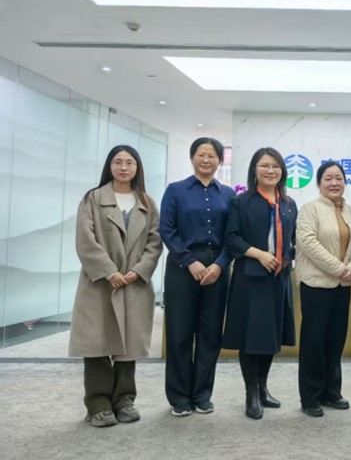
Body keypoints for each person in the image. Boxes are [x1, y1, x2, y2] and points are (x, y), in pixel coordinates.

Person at [68, 145, 163, 427]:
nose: (123, 167)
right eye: (118, 162)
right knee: (96, 343)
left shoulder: (147, 202)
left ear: (137, 168)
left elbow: (155, 242)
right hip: (99, 283)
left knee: (128, 345)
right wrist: (109, 271)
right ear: (109, 166)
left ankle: (124, 400)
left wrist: (139, 271)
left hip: (133, 284)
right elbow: (85, 240)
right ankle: (98, 404)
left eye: (129, 162)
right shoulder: (93, 198)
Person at [160, 137, 235, 417]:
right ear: (192, 158)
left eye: (212, 156)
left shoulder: (228, 194)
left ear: (220, 161)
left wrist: (220, 264)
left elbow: (233, 234)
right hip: (182, 268)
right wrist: (189, 261)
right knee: (179, 334)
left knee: (210, 334)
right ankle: (179, 397)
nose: (206, 160)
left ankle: (202, 394)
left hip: (217, 269)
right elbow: (167, 230)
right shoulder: (176, 190)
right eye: (201, 154)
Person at [222, 147, 297, 419]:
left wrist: (287, 256)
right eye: (265, 165)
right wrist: (259, 254)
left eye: (275, 166)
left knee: (270, 337)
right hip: (250, 278)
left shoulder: (288, 204)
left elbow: (293, 239)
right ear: (255, 170)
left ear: (282, 171)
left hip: (278, 279)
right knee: (250, 338)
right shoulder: (241, 202)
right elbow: (232, 238)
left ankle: (264, 388)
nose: (270, 170)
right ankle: (251, 394)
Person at [295, 161, 351, 417]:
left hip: (342, 284)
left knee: (335, 340)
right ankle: (310, 396)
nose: (334, 183)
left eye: (339, 178)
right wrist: (339, 268)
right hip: (316, 284)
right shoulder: (309, 209)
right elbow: (308, 243)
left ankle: (331, 392)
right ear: (319, 183)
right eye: (328, 178)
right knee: (314, 341)